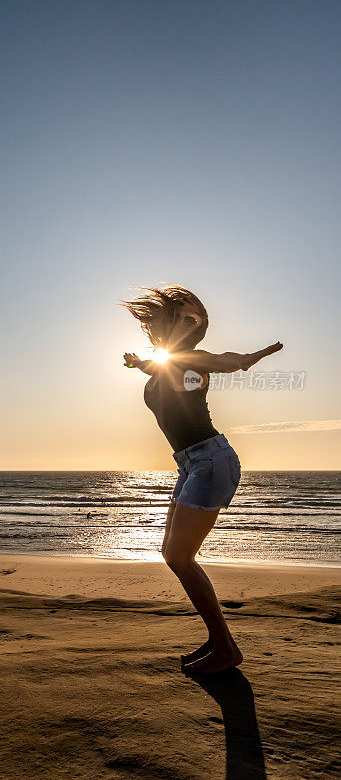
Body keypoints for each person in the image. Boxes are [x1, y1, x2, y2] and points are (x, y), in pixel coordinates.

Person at [119, 284, 283, 675]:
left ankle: (226, 648)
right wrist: (138, 362)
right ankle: (217, 638)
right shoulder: (168, 364)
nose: (193, 320)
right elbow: (161, 367)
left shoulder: (195, 360)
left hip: (211, 460)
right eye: (183, 314)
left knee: (179, 556)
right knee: (172, 554)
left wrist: (247, 358)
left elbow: (223, 360)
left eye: (197, 316)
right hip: (190, 464)